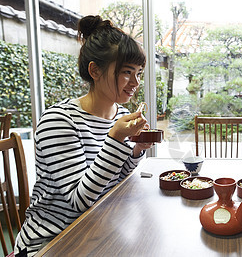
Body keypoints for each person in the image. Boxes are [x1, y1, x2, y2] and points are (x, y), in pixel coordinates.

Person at [14, 15, 154, 256]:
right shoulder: (59, 121)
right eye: (126, 72)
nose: (135, 82)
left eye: (139, 73)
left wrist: (135, 151)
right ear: (95, 70)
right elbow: (80, 200)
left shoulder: (119, 114)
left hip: (98, 230)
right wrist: (116, 139)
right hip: (51, 241)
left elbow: (114, 183)